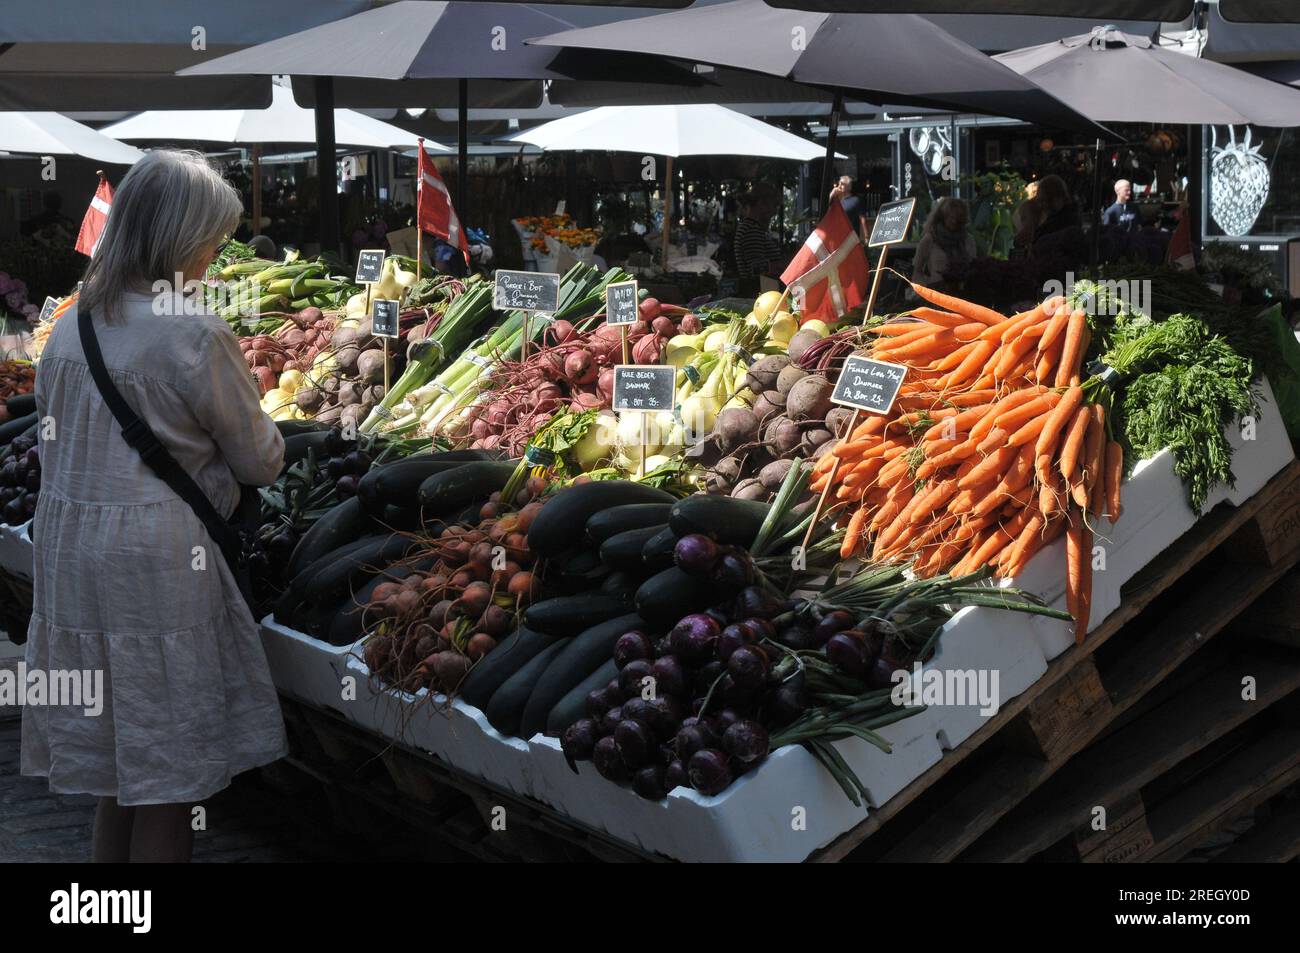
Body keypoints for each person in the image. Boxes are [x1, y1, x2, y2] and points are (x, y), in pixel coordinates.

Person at [21, 150, 288, 863]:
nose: (214, 256)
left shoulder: (73, 325)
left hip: (73, 557)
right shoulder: (193, 332)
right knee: (167, 776)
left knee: (119, 766)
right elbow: (260, 458)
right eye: (212, 240)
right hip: (158, 568)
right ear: (179, 238)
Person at [733, 183, 786, 296]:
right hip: (760, 295)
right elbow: (756, 267)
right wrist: (787, 264)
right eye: (774, 205)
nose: (775, 212)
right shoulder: (751, 230)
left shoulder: (753, 228)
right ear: (761, 204)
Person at [912, 197, 977, 289]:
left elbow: (973, 266)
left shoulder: (968, 239)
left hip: (963, 292)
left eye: (958, 217)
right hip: (938, 293)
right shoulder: (930, 239)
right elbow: (916, 271)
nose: (954, 221)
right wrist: (927, 286)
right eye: (951, 217)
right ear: (942, 216)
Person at [829, 175, 868, 243]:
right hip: (838, 238)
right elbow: (828, 212)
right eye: (839, 184)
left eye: (842, 184)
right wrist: (832, 194)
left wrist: (866, 237)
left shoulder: (855, 200)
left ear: (848, 187)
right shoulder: (836, 201)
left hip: (851, 239)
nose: (839, 186)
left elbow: (862, 219)